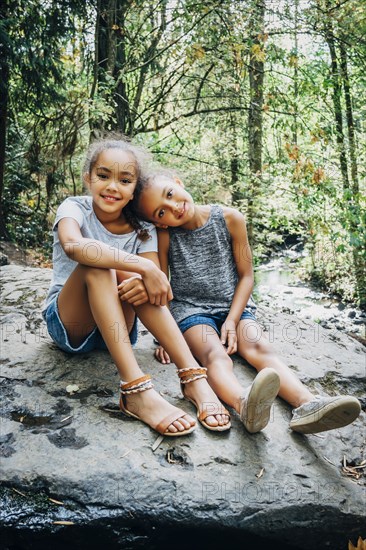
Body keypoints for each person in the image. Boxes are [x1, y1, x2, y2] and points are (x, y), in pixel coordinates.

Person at [127, 169, 362, 435]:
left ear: (178, 183)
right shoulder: (167, 237)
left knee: (258, 347)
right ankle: (243, 404)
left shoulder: (230, 218)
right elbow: (163, 285)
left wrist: (232, 319)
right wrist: (166, 338)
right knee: (213, 354)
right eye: (161, 212)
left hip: (235, 307)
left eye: (170, 194)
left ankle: (307, 405)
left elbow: (247, 276)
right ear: (160, 224)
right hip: (192, 312)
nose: (173, 207)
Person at [42, 136, 246, 437]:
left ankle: (193, 378)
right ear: (88, 178)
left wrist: (146, 275)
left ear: (134, 188)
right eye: (103, 176)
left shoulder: (143, 228)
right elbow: (73, 246)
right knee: (98, 264)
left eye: (124, 180)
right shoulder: (75, 208)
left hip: (116, 328)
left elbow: (155, 287)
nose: (112, 187)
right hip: (71, 322)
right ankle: (134, 389)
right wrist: (142, 266)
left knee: (143, 283)